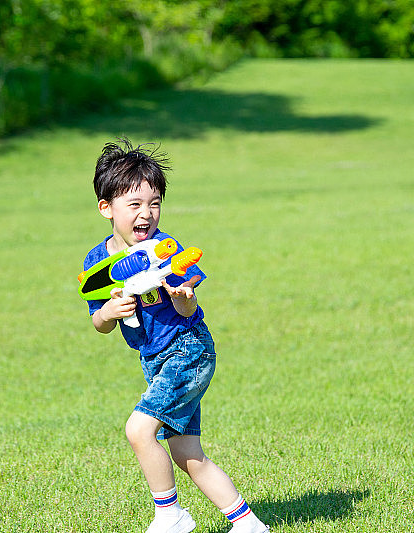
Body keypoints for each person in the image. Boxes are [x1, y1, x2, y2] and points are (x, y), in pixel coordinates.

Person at [83, 138, 270, 533]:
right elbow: (99, 323)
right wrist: (108, 313)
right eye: (134, 204)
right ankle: (248, 524)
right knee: (187, 453)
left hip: (188, 349)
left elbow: (188, 309)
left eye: (154, 203)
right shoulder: (97, 262)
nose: (146, 213)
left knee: (138, 430)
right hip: (154, 360)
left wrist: (183, 297)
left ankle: (171, 516)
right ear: (106, 208)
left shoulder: (166, 251)